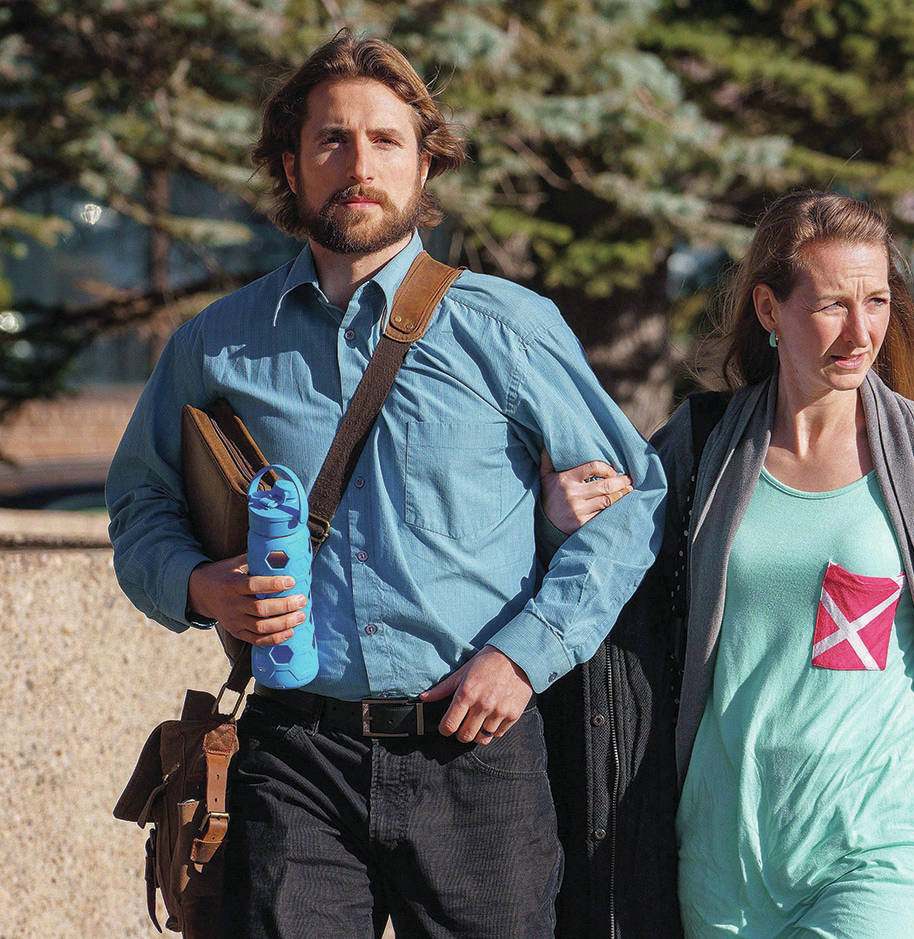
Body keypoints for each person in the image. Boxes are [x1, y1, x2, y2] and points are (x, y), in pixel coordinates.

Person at [106, 31, 665, 938]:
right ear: (290, 166)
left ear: (424, 161)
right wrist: (198, 586)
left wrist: (526, 654)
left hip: (476, 752)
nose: (357, 164)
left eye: (386, 140)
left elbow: (636, 501)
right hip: (293, 754)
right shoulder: (217, 343)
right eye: (330, 140)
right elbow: (139, 506)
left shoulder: (508, 327)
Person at [538, 190, 914, 938]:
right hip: (722, 852)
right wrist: (556, 523)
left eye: (877, 300)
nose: (862, 330)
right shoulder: (702, 445)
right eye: (834, 304)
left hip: (879, 845)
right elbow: (612, 597)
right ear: (769, 310)